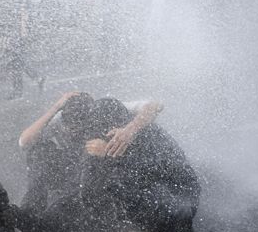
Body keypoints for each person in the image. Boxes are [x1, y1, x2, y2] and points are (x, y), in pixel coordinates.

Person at [60, 95, 201, 232]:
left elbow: (153, 173)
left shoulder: (147, 134)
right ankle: (141, 225)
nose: (106, 134)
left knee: (118, 177)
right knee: (104, 175)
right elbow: (87, 191)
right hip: (170, 200)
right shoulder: (109, 136)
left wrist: (108, 156)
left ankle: (160, 228)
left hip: (180, 203)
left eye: (107, 129)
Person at [18, 91, 164, 217]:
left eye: (76, 127)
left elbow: (155, 106)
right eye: (67, 125)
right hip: (73, 169)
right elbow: (24, 142)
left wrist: (129, 130)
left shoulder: (103, 112)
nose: (69, 131)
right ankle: (31, 208)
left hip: (102, 167)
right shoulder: (61, 119)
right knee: (38, 150)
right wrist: (55, 108)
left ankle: (107, 208)